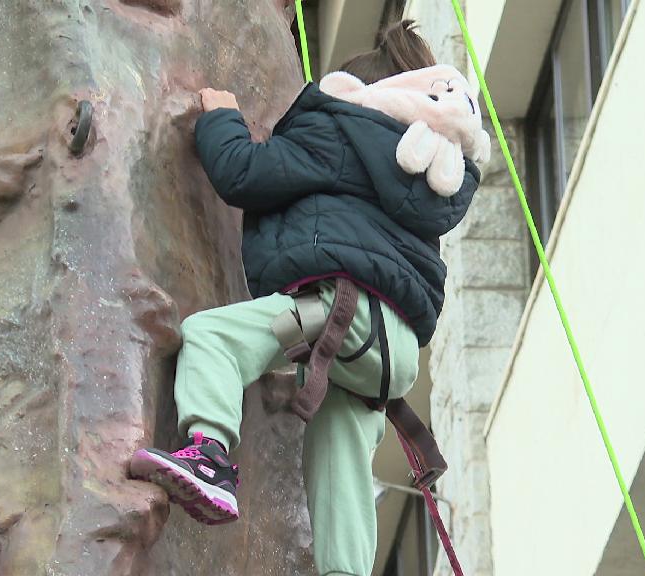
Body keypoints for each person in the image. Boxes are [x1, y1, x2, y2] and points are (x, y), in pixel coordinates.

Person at [129, 19, 483, 576]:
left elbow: (243, 173)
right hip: (392, 354)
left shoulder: (341, 131)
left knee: (211, 336)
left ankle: (209, 457)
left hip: (339, 316)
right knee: (340, 448)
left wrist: (220, 116)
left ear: (358, 94)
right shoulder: (421, 177)